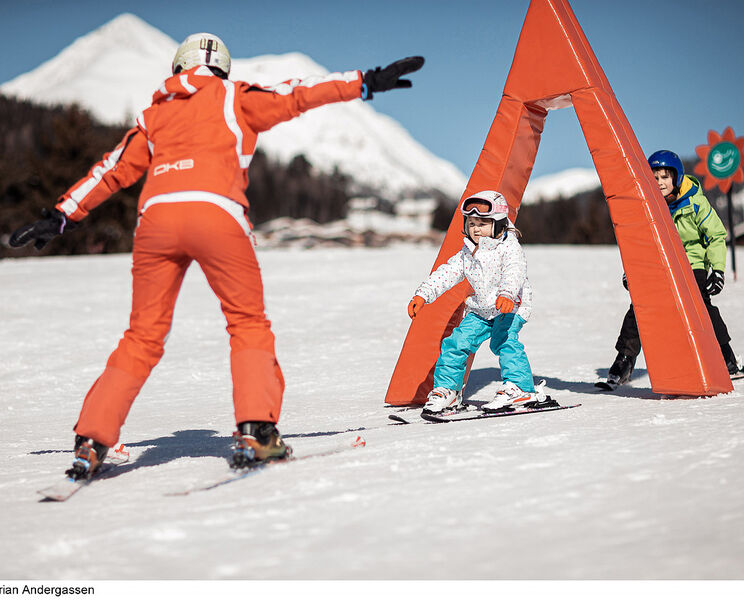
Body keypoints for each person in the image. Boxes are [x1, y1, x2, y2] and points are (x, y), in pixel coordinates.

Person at [9, 32, 424, 478]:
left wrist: (61, 214)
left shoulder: (155, 115)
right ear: (222, 68)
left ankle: (91, 440)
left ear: (178, 69)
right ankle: (257, 432)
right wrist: (364, 82)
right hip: (218, 215)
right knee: (247, 323)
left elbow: (112, 170)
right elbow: (297, 94)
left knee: (142, 336)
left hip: (156, 224)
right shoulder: (234, 96)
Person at [601, 150, 742, 388]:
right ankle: (623, 362)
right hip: (660, 265)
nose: (660, 183)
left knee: (701, 306)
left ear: (676, 178)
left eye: (665, 177)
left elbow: (716, 235)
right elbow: (638, 243)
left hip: (692, 264)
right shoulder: (648, 206)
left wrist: (717, 270)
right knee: (639, 306)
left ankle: (726, 357)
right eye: (654, 178)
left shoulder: (696, 202)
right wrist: (633, 272)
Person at [407, 190, 552, 414]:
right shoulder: (467, 252)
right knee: (455, 344)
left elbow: (515, 272)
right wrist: (423, 294)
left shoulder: (509, 248)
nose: (476, 229)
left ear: (498, 224)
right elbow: (446, 273)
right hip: (480, 310)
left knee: (504, 343)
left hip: (509, 307)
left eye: (483, 223)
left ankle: (521, 388)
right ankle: (449, 391)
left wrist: (507, 294)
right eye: (472, 223)